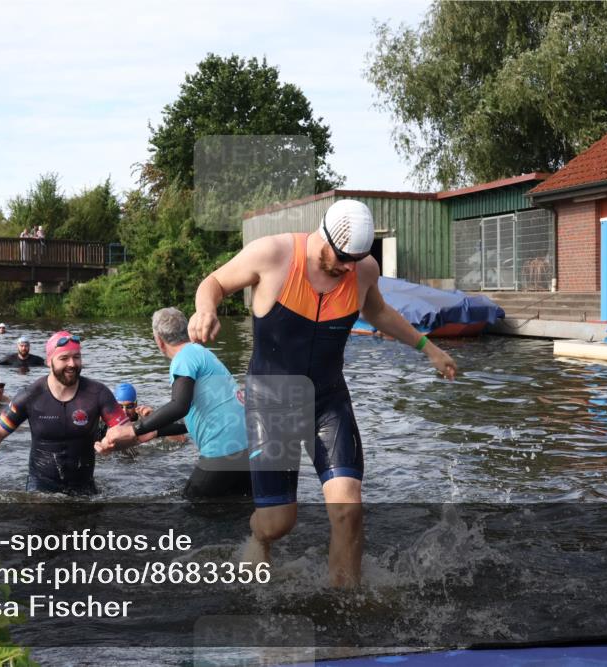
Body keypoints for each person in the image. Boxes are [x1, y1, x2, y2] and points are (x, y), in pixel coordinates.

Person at [187, 199, 458, 587]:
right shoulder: (274, 253)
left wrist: (428, 349)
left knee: (349, 509)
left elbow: (379, 312)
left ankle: (343, 608)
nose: (349, 268)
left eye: (357, 260)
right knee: (278, 523)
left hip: (327, 400)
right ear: (323, 236)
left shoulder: (363, 269)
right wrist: (205, 310)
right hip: (272, 402)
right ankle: (258, 533)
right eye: (343, 258)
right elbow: (212, 283)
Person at [99, 308, 251, 500]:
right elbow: (192, 419)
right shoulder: (201, 352)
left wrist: (134, 430)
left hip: (224, 450)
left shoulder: (183, 358)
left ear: (159, 340)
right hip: (248, 448)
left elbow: (179, 406)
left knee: (190, 506)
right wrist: (154, 432)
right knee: (238, 509)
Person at [0, 331, 131, 496]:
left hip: (84, 489)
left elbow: (128, 432)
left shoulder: (97, 393)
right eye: (64, 358)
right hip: (40, 490)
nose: (72, 364)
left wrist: (113, 444)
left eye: (77, 357)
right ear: (49, 362)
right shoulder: (31, 395)